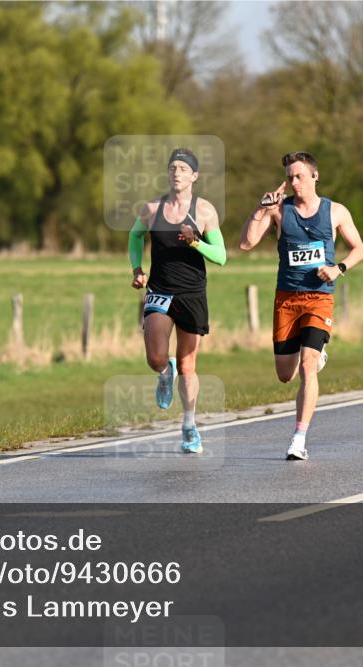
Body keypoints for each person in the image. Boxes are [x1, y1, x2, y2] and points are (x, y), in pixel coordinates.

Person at [238, 151, 363, 461]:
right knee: (285, 374)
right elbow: (246, 243)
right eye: (290, 177)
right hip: (287, 299)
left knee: (308, 366)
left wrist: (338, 269)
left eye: (299, 176)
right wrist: (261, 208)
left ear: (314, 176)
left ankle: (299, 438)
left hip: (319, 297)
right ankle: (314, 352)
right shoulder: (279, 211)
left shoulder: (335, 211)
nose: (294, 182)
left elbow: (359, 248)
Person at [128, 148, 226, 454]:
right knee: (156, 358)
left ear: (194, 176)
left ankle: (189, 427)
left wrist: (195, 241)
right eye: (173, 167)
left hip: (192, 293)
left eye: (184, 168)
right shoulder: (152, 208)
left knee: (188, 365)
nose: (177, 172)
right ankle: (162, 371)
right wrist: (137, 268)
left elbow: (221, 257)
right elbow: (134, 237)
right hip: (160, 288)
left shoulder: (205, 211)